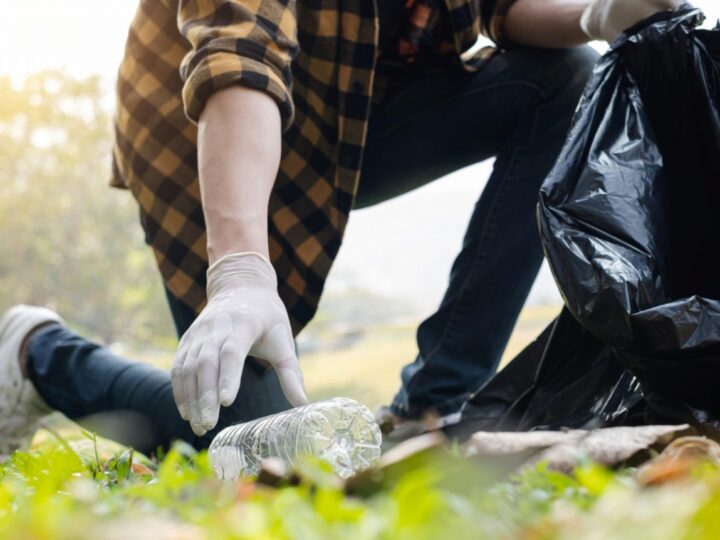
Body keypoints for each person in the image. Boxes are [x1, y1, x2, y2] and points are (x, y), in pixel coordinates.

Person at [0, 0, 681, 457]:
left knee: (562, 80)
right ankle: (40, 352)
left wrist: (601, 12)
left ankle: (431, 406)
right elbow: (240, 49)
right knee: (256, 440)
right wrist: (239, 268)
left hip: (348, 122)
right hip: (205, 133)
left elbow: (499, 9)